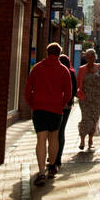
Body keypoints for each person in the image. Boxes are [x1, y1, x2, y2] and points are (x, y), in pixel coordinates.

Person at [24, 42, 72, 186]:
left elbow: (27, 91)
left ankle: (41, 172)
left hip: (39, 108)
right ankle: (51, 167)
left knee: (41, 139)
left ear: (47, 52)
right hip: (56, 109)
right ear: (59, 53)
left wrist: (34, 104)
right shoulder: (64, 70)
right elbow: (68, 93)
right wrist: (60, 104)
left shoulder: (37, 68)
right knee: (54, 137)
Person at [76, 48, 100, 152]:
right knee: (85, 118)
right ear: (86, 58)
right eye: (88, 57)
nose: (91, 58)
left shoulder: (99, 67)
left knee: (94, 119)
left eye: (93, 56)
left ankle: (90, 140)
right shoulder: (82, 69)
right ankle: (82, 140)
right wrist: (78, 95)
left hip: (97, 98)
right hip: (85, 99)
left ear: (95, 57)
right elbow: (77, 83)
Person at [54, 53, 78, 171]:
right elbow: (74, 90)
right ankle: (57, 157)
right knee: (61, 131)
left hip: (54, 105)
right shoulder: (71, 73)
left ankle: (53, 156)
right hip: (66, 106)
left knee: (54, 130)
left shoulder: (56, 71)